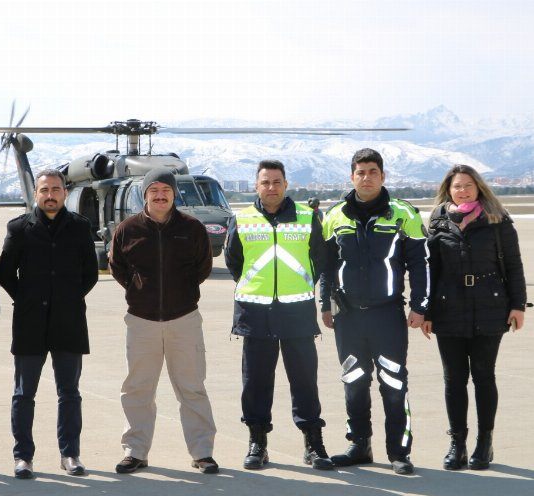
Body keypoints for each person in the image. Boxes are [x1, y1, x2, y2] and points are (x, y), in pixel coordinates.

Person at [320, 148, 429, 475]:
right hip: (348, 316)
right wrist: (324, 304)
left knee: (394, 382)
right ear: (351, 176)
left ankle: (399, 451)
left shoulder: (403, 213)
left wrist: (420, 306)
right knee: (353, 379)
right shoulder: (334, 215)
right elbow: (326, 265)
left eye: (372, 172)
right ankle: (359, 445)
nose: (366, 177)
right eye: (360, 172)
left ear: (382, 176)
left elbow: (420, 264)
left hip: (387, 314)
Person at [109, 168, 219, 474]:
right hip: (141, 321)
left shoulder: (192, 228)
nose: (160, 195)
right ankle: (136, 451)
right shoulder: (128, 229)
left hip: (183, 319)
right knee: (138, 389)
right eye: (153, 190)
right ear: (145, 194)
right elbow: (118, 267)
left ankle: (202, 452)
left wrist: (181, 293)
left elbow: (203, 267)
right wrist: (139, 290)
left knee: (192, 387)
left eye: (165, 190)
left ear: (174, 193)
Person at [225, 160, 332, 471]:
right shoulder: (241, 219)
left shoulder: (307, 217)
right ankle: (257, 442)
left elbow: (320, 259)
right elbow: (234, 262)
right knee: (255, 382)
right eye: (265, 182)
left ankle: (313, 443)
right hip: (255, 314)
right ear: (256, 186)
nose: (271, 187)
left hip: (296, 312)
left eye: (276, 182)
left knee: (304, 381)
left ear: (286, 185)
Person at [421, 164, 526, 470]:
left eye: (468, 185)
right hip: (448, 308)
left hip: (490, 307)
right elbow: (431, 269)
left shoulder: (497, 219)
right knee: (453, 380)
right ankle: (458, 444)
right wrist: (426, 310)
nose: (463, 190)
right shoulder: (439, 220)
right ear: (448, 189)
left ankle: (484, 442)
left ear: (479, 187)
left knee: (483, 376)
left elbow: (515, 266)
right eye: (457, 186)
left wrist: (518, 305)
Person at [0, 169, 98, 478]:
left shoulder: (80, 228)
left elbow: (90, 275)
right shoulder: (20, 228)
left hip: (68, 322)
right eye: (44, 190)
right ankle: (23, 457)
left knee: (69, 392)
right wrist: (27, 299)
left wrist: (66, 298)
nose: (50, 195)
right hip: (30, 323)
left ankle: (70, 454)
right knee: (23, 393)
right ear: (36, 194)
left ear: (65, 193)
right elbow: (5, 273)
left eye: (56, 189)